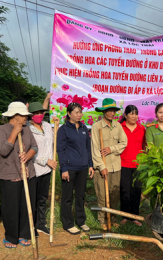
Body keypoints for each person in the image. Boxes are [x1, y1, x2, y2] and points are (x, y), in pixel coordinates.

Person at [0, 102, 38, 248]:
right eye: (24, 115)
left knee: (27, 205)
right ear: (15, 115)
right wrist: (14, 133)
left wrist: (28, 156)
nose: (27, 118)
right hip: (10, 173)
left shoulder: (27, 129)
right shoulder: (1, 129)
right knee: (11, 207)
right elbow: (3, 151)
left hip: (28, 173)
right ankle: (11, 237)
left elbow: (34, 146)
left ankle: (24, 234)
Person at [57, 103, 94, 234]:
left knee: (80, 195)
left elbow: (88, 148)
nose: (79, 114)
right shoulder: (63, 130)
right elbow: (60, 150)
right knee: (67, 196)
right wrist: (64, 168)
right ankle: (67, 223)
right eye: (76, 112)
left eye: (80, 112)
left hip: (83, 167)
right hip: (69, 168)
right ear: (68, 113)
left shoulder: (84, 128)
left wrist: (90, 165)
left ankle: (81, 221)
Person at [91, 98, 128, 230]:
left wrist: (111, 149)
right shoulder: (96, 127)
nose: (112, 113)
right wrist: (101, 167)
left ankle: (112, 218)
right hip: (103, 167)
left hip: (116, 167)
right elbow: (95, 149)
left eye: (114, 111)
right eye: (110, 111)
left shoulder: (118, 126)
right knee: (102, 195)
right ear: (104, 112)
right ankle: (102, 219)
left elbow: (124, 142)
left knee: (114, 194)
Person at [28, 100, 58, 235]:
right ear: (30, 115)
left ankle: (41, 223)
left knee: (43, 198)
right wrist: (47, 161)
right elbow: (31, 151)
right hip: (35, 168)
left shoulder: (46, 126)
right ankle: (32, 225)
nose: (39, 115)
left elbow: (53, 140)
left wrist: (56, 127)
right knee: (33, 198)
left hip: (47, 169)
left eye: (41, 112)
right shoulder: (27, 129)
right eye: (36, 113)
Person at [119, 105, 145, 226]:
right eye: (131, 114)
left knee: (136, 191)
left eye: (136, 114)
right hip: (123, 163)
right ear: (125, 115)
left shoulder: (142, 129)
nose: (134, 116)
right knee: (124, 190)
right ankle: (124, 216)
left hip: (138, 165)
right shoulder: (120, 127)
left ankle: (134, 216)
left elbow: (145, 147)